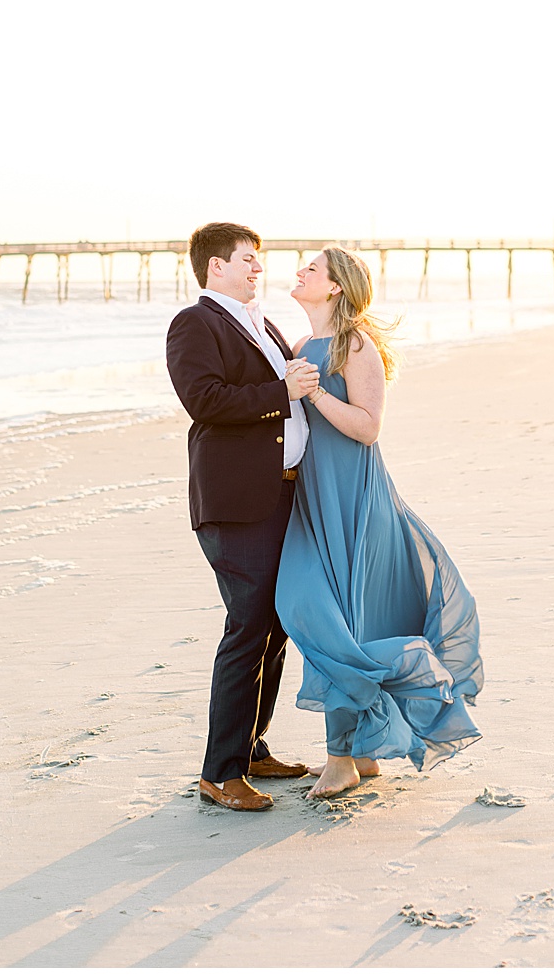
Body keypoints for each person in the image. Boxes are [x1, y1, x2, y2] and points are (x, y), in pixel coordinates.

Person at [275, 245, 483, 799]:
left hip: (355, 501)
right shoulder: (301, 345)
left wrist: (315, 391)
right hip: (313, 501)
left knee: (343, 621)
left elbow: (368, 428)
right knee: (316, 610)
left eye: (312, 269)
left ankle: (343, 758)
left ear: (336, 286)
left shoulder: (354, 344)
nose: (300, 273)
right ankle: (359, 751)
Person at [165, 222, 323, 812]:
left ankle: (251, 747)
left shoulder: (264, 323)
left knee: (276, 623)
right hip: (234, 503)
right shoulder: (195, 323)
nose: (259, 268)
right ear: (216, 268)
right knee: (247, 625)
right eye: (248, 260)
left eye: (259, 260)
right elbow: (203, 400)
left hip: (280, 496)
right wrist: (282, 391)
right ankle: (219, 771)